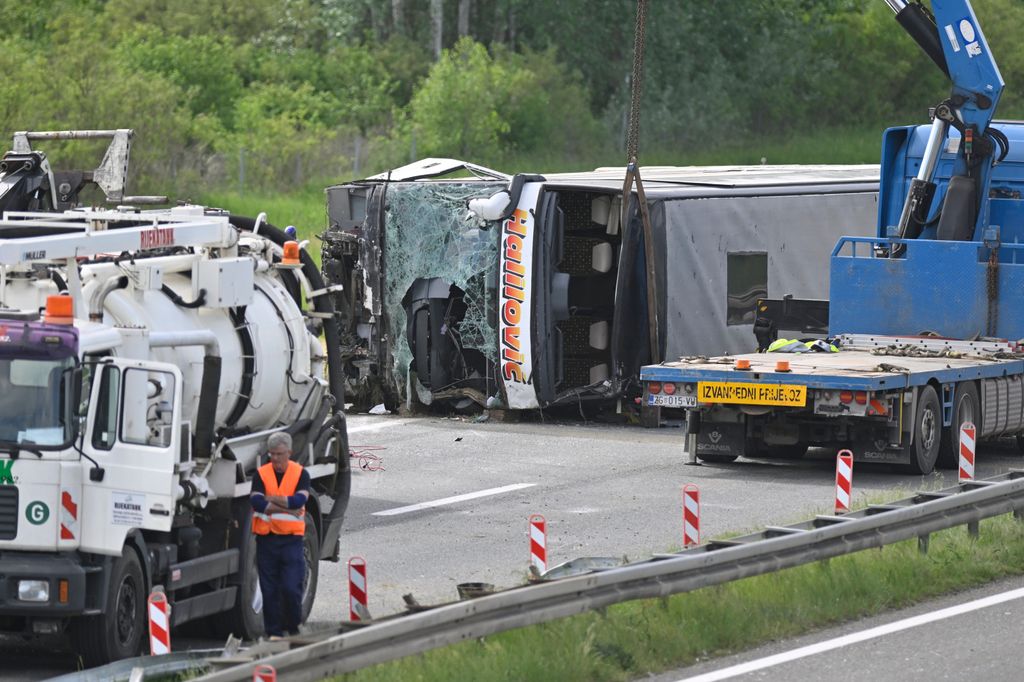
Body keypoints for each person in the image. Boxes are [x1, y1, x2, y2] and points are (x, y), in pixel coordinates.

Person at [250, 431, 310, 639]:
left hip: (291, 541)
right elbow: (257, 502)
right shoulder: (262, 474)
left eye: (280, 454)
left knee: (291, 586)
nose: (275, 458)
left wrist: (272, 500)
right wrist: (284, 507)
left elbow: (298, 502)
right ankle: (274, 632)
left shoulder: (300, 474)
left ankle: (293, 628)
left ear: (289, 453)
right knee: (269, 589)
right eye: (272, 454)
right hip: (266, 539)